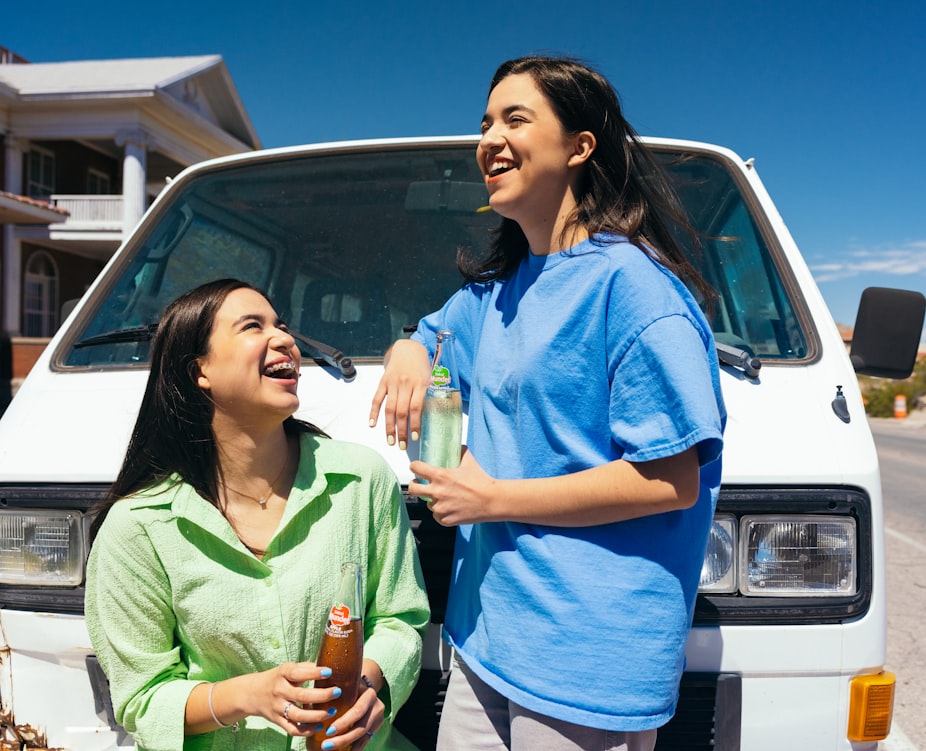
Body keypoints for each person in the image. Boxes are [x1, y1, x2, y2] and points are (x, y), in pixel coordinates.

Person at [369, 56, 726, 751]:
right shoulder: (498, 290)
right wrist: (408, 347)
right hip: (487, 640)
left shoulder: (636, 290)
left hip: (586, 659)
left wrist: (492, 499)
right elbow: (437, 332)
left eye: (515, 119)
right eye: (484, 123)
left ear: (580, 147)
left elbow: (671, 478)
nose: (488, 139)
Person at [86, 278, 430, 751]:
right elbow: (142, 699)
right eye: (253, 326)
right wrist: (246, 696)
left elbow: (399, 618)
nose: (285, 338)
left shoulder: (362, 480)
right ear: (199, 370)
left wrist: (371, 685)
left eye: (282, 325)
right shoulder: (138, 527)